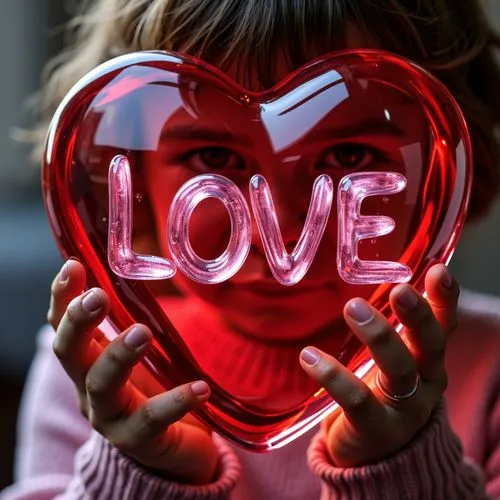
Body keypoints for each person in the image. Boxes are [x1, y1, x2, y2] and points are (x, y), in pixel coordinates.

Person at [2, 0, 500, 498]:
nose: (278, 232)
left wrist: (398, 469)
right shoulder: (100, 370)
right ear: (123, 167)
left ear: (446, 169)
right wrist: (147, 475)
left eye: (349, 155)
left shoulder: (491, 368)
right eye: (213, 156)